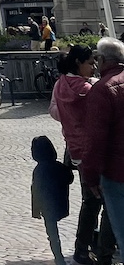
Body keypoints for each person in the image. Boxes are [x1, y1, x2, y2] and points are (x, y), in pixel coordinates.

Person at [50, 44, 116, 265]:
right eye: (90, 63)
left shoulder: (60, 84)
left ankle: (81, 248)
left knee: (90, 202)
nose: (94, 67)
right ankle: (104, 252)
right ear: (79, 62)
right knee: (108, 204)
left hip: (74, 148)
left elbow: (54, 112)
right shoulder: (87, 89)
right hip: (92, 150)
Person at [81, 37, 124, 261]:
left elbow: (95, 140)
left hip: (117, 172)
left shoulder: (102, 90)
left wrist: (90, 177)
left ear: (102, 60)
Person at [31, 135, 74, 265]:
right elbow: (69, 178)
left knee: (52, 233)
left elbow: (35, 190)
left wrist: (36, 210)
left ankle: (58, 255)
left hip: (46, 206)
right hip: (60, 203)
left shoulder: (39, 170)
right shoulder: (58, 166)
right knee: (53, 230)